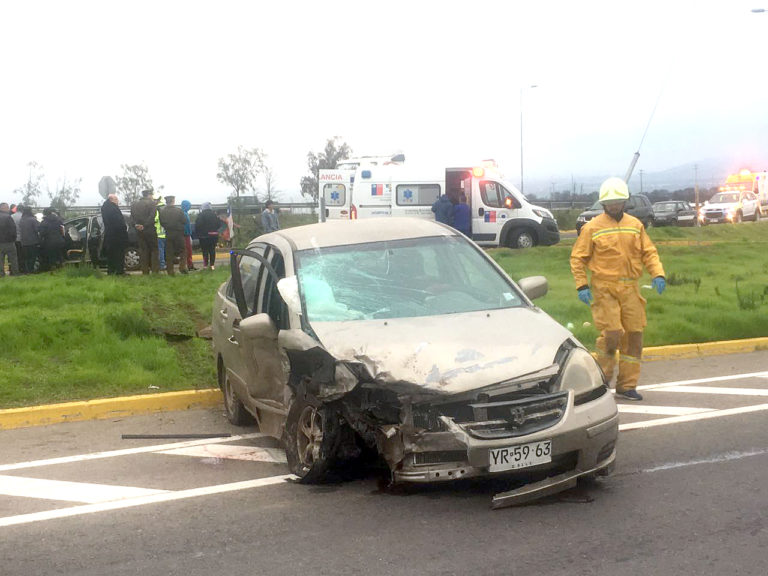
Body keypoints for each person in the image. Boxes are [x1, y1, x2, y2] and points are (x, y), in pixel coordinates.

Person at [570, 177, 666, 402]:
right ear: (603, 204)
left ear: (625, 202)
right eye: (610, 202)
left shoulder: (635, 225)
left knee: (634, 336)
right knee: (612, 334)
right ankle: (602, 380)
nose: (614, 206)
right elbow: (577, 258)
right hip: (605, 288)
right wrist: (581, 285)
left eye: (618, 202)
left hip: (631, 288)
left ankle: (627, 385)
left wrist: (658, 273)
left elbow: (648, 253)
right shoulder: (592, 227)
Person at [130, 189, 160, 275]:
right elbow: (152, 216)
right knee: (154, 250)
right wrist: (145, 225)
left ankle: (145, 271)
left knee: (143, 251)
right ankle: (155, 271)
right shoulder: (152, 204)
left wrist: (136, 225)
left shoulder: (134, 204)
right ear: (149, 195)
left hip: (139, 231)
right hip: (150, 230)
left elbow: (131, 218)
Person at [158, 195, 188, 275]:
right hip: (178, 233)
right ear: (173, 201)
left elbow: (162, 223)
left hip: (168, 233)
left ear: (166, 201)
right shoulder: (179, 211)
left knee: (169, 253)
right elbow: (184, 221)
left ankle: (170, 271)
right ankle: (182, 267)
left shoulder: (162, 211)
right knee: (183, 250)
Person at [101, 193, 129, 275]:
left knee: (111, 255)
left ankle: (111, 271)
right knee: (119, 254)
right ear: (111, 200)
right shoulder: (113, 209)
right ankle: (119, 272)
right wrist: (124, 229)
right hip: (117, 236)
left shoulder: (104, 208)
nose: (118, 201)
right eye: (116, 199)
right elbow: (119, 222)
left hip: (109, 235)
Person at [38, 207, 65, 271]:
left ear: (44, 213)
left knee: (51, 256)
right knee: (59, 254)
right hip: (60, 241)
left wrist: (40, 241)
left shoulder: (44, 222)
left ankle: (53, 269)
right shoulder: (59, 220)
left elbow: (42, 233)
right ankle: (62, 267)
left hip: (49, 242)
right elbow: (62, 230)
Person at [194, 202, 219, 270]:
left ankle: (205, 265)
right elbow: (218, 224)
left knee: (205, 251)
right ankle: (212, 265)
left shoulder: (201, 215)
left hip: (204, 236)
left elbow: (198, 225)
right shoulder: (214, 215)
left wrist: (198, 233)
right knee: (212, 250)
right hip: (214, 235)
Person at [0, 202, 20, 277]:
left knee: (0, 260)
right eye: (7, 207)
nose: (9, 209)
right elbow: (13, 229)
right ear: (3, 208)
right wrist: (13, 239)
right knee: (13, 259)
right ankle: (15, 273)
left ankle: (1, 274)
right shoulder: (8, 217)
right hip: (9, 242)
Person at [19, 206, 40, 273]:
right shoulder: (33, 219)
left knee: (26, 257)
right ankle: (31, 270)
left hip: (24, 241)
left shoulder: (21, 220)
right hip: (32, 241)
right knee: (32, 256)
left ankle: (27, 270)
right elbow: (37, 229)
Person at [180, 200, 195, 270]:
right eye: (189, 206)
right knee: (187, 251)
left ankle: (190, 264)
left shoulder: (185, 213)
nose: (189, 207)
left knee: (189, 250)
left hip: (187, 234)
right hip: (185, 235)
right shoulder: (183, 214)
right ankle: (189, 265)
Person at [154, 195, 167, 271]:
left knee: (160, 250)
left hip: (159, 233)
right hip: (167, 233)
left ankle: (162, 265)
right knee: (167, 250)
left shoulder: (157, 209)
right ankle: (168, 264)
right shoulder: (165, 208)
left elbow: (155, 219)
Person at [12, 203, 24, 273]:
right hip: (22, 239)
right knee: (22, 255)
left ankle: (14, 269)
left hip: (14, 239)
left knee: (14, 256)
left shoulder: (11, 216)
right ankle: (22, 268)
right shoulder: (23, 216)